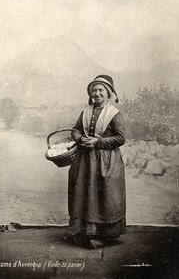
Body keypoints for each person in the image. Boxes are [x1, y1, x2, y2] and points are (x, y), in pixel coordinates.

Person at [65, 75, 126, 248]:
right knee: (84, 194)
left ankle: (103, 235)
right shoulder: (85, 111)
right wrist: (80, 139)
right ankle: (83, 232)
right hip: (85, 160)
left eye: (101, 90)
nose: (97, 93)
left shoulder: (114, 114)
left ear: (109, 94)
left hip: (106, 161)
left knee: (103, 196)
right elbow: (75, 129)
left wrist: (97, 142)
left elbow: (121, 138)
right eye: (94, 90)